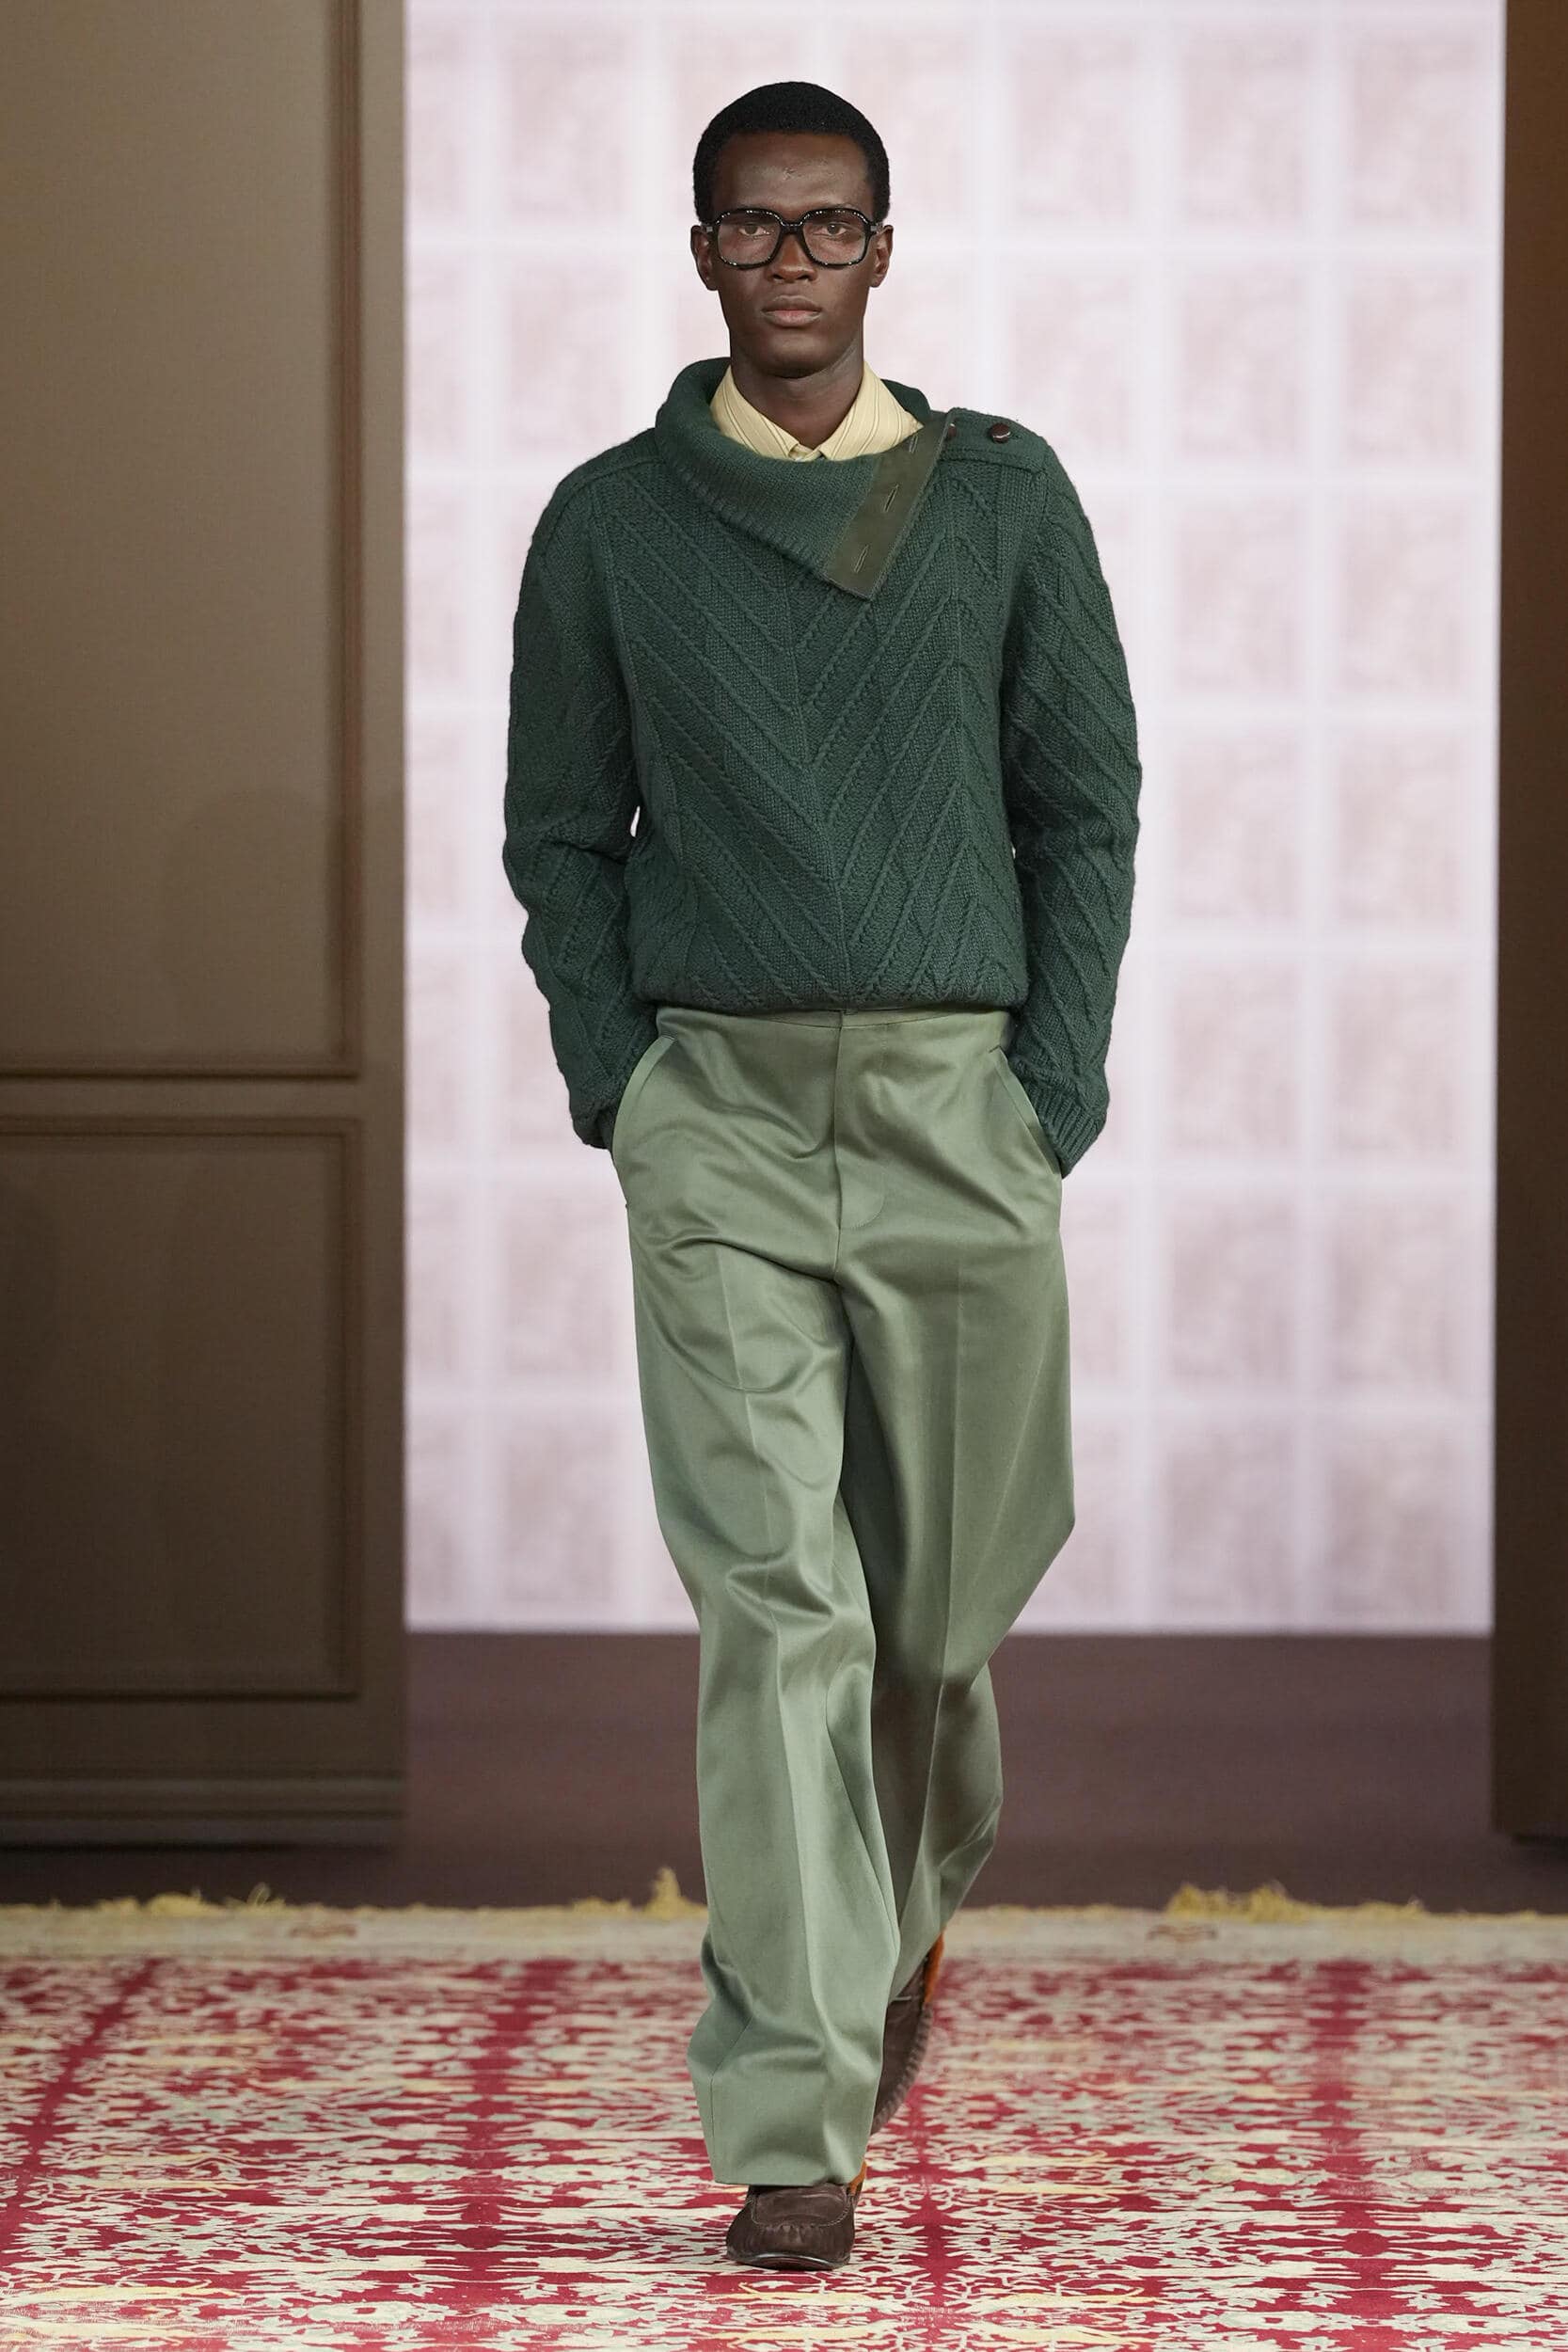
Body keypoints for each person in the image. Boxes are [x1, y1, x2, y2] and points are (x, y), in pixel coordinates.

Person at [502, 78, 1142, 2273]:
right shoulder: (609, 524)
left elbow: (1084, 804)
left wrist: (1049, 1090)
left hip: (963, 1107)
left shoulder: (1003, 500)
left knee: (935, 1616)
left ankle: (890, 1914)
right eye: (754, 227)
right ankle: (796, 2106)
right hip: (727, 1117)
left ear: (884, 246)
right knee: (781, 1604)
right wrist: (628, 1086)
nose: (791, 261)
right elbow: (562, 831)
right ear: (700, 253)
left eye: (828, 225)